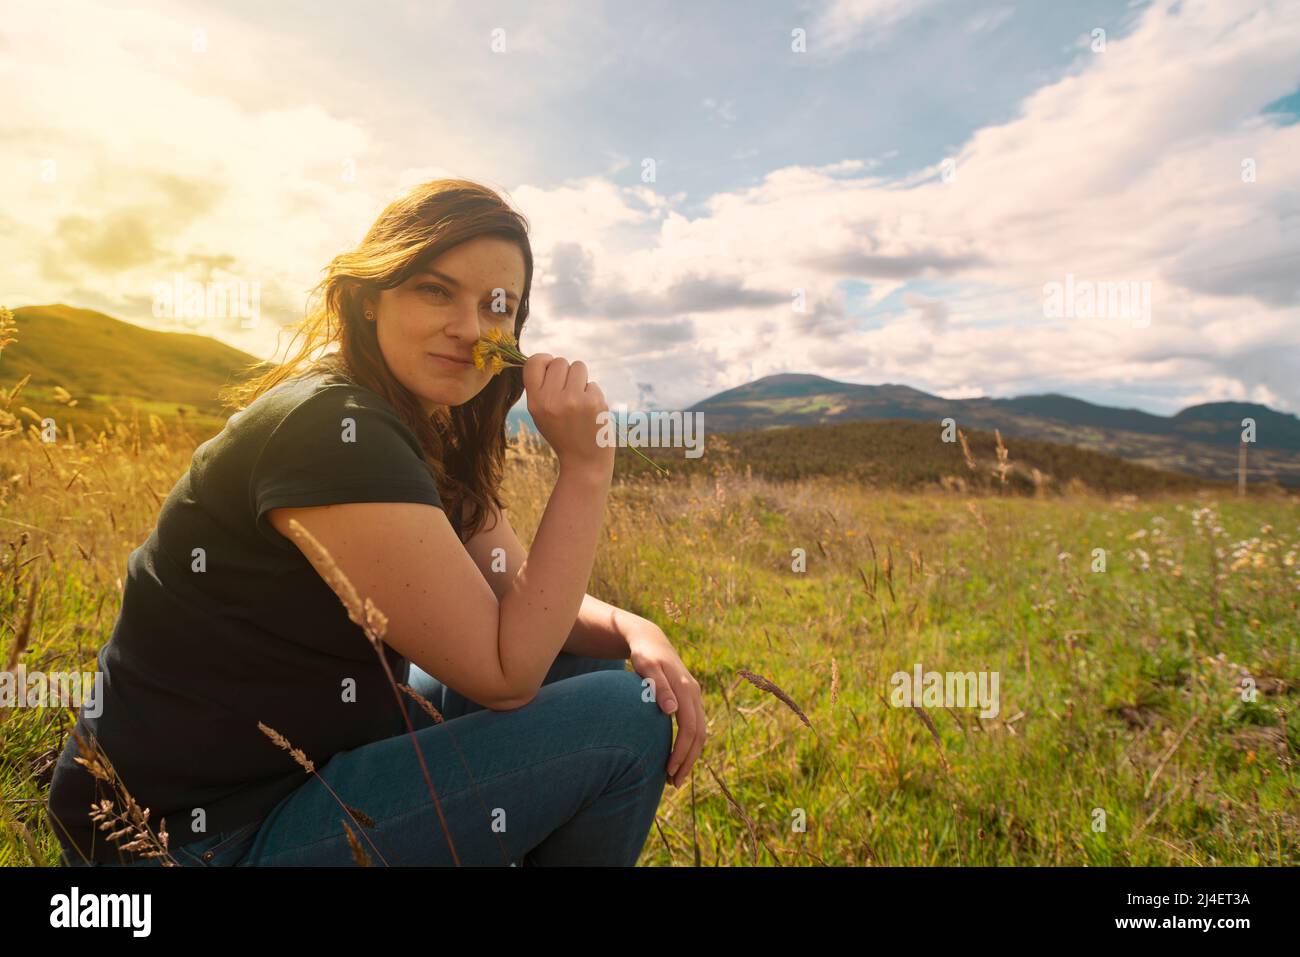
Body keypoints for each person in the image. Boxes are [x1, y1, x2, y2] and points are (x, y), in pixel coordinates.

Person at [46, 178, 707, 867]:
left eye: (497, 306)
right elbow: (506, 672)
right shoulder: (334, 429)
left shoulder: (423, 428)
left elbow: (517, 588)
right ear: (368, 301)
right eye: (435, 289)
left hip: (303, 769)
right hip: (193, 841)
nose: (471, 327)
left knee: (582, 655)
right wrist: (585, 470)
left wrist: (635, 627)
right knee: (628, 716)